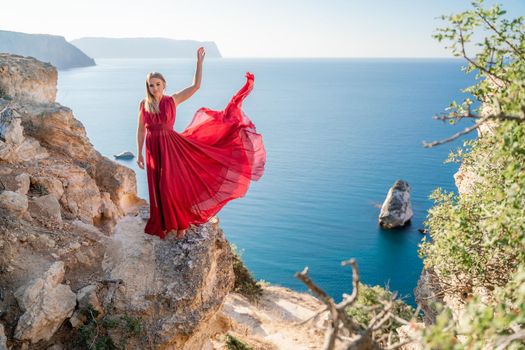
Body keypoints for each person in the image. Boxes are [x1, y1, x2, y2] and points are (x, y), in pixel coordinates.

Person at [136, 47, 266, 240]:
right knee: (157, 186)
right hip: (152, 149)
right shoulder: (144, 104)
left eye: (157, 84)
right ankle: (164, 221)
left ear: (164, 85)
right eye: (151, 85)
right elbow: (141, 129)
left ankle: (181, 223)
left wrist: (199, 63)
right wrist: (139, 153)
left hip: (171, 147)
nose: (154, 88)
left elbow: (195, 86)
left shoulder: (172, 100)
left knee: (170, 186)